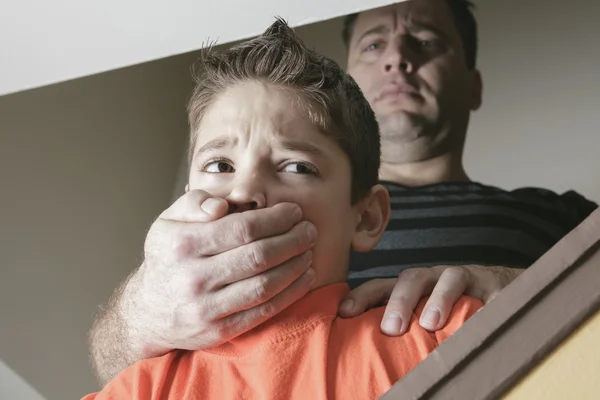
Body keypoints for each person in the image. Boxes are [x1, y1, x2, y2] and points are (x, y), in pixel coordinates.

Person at [88, 0, 598, 386]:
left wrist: (526, 293)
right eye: (375, 44)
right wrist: (138, 315)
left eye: (426, 41)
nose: (398, 58)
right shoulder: (162, 372)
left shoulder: (563, 213)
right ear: (351, 78)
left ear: (473, 84)